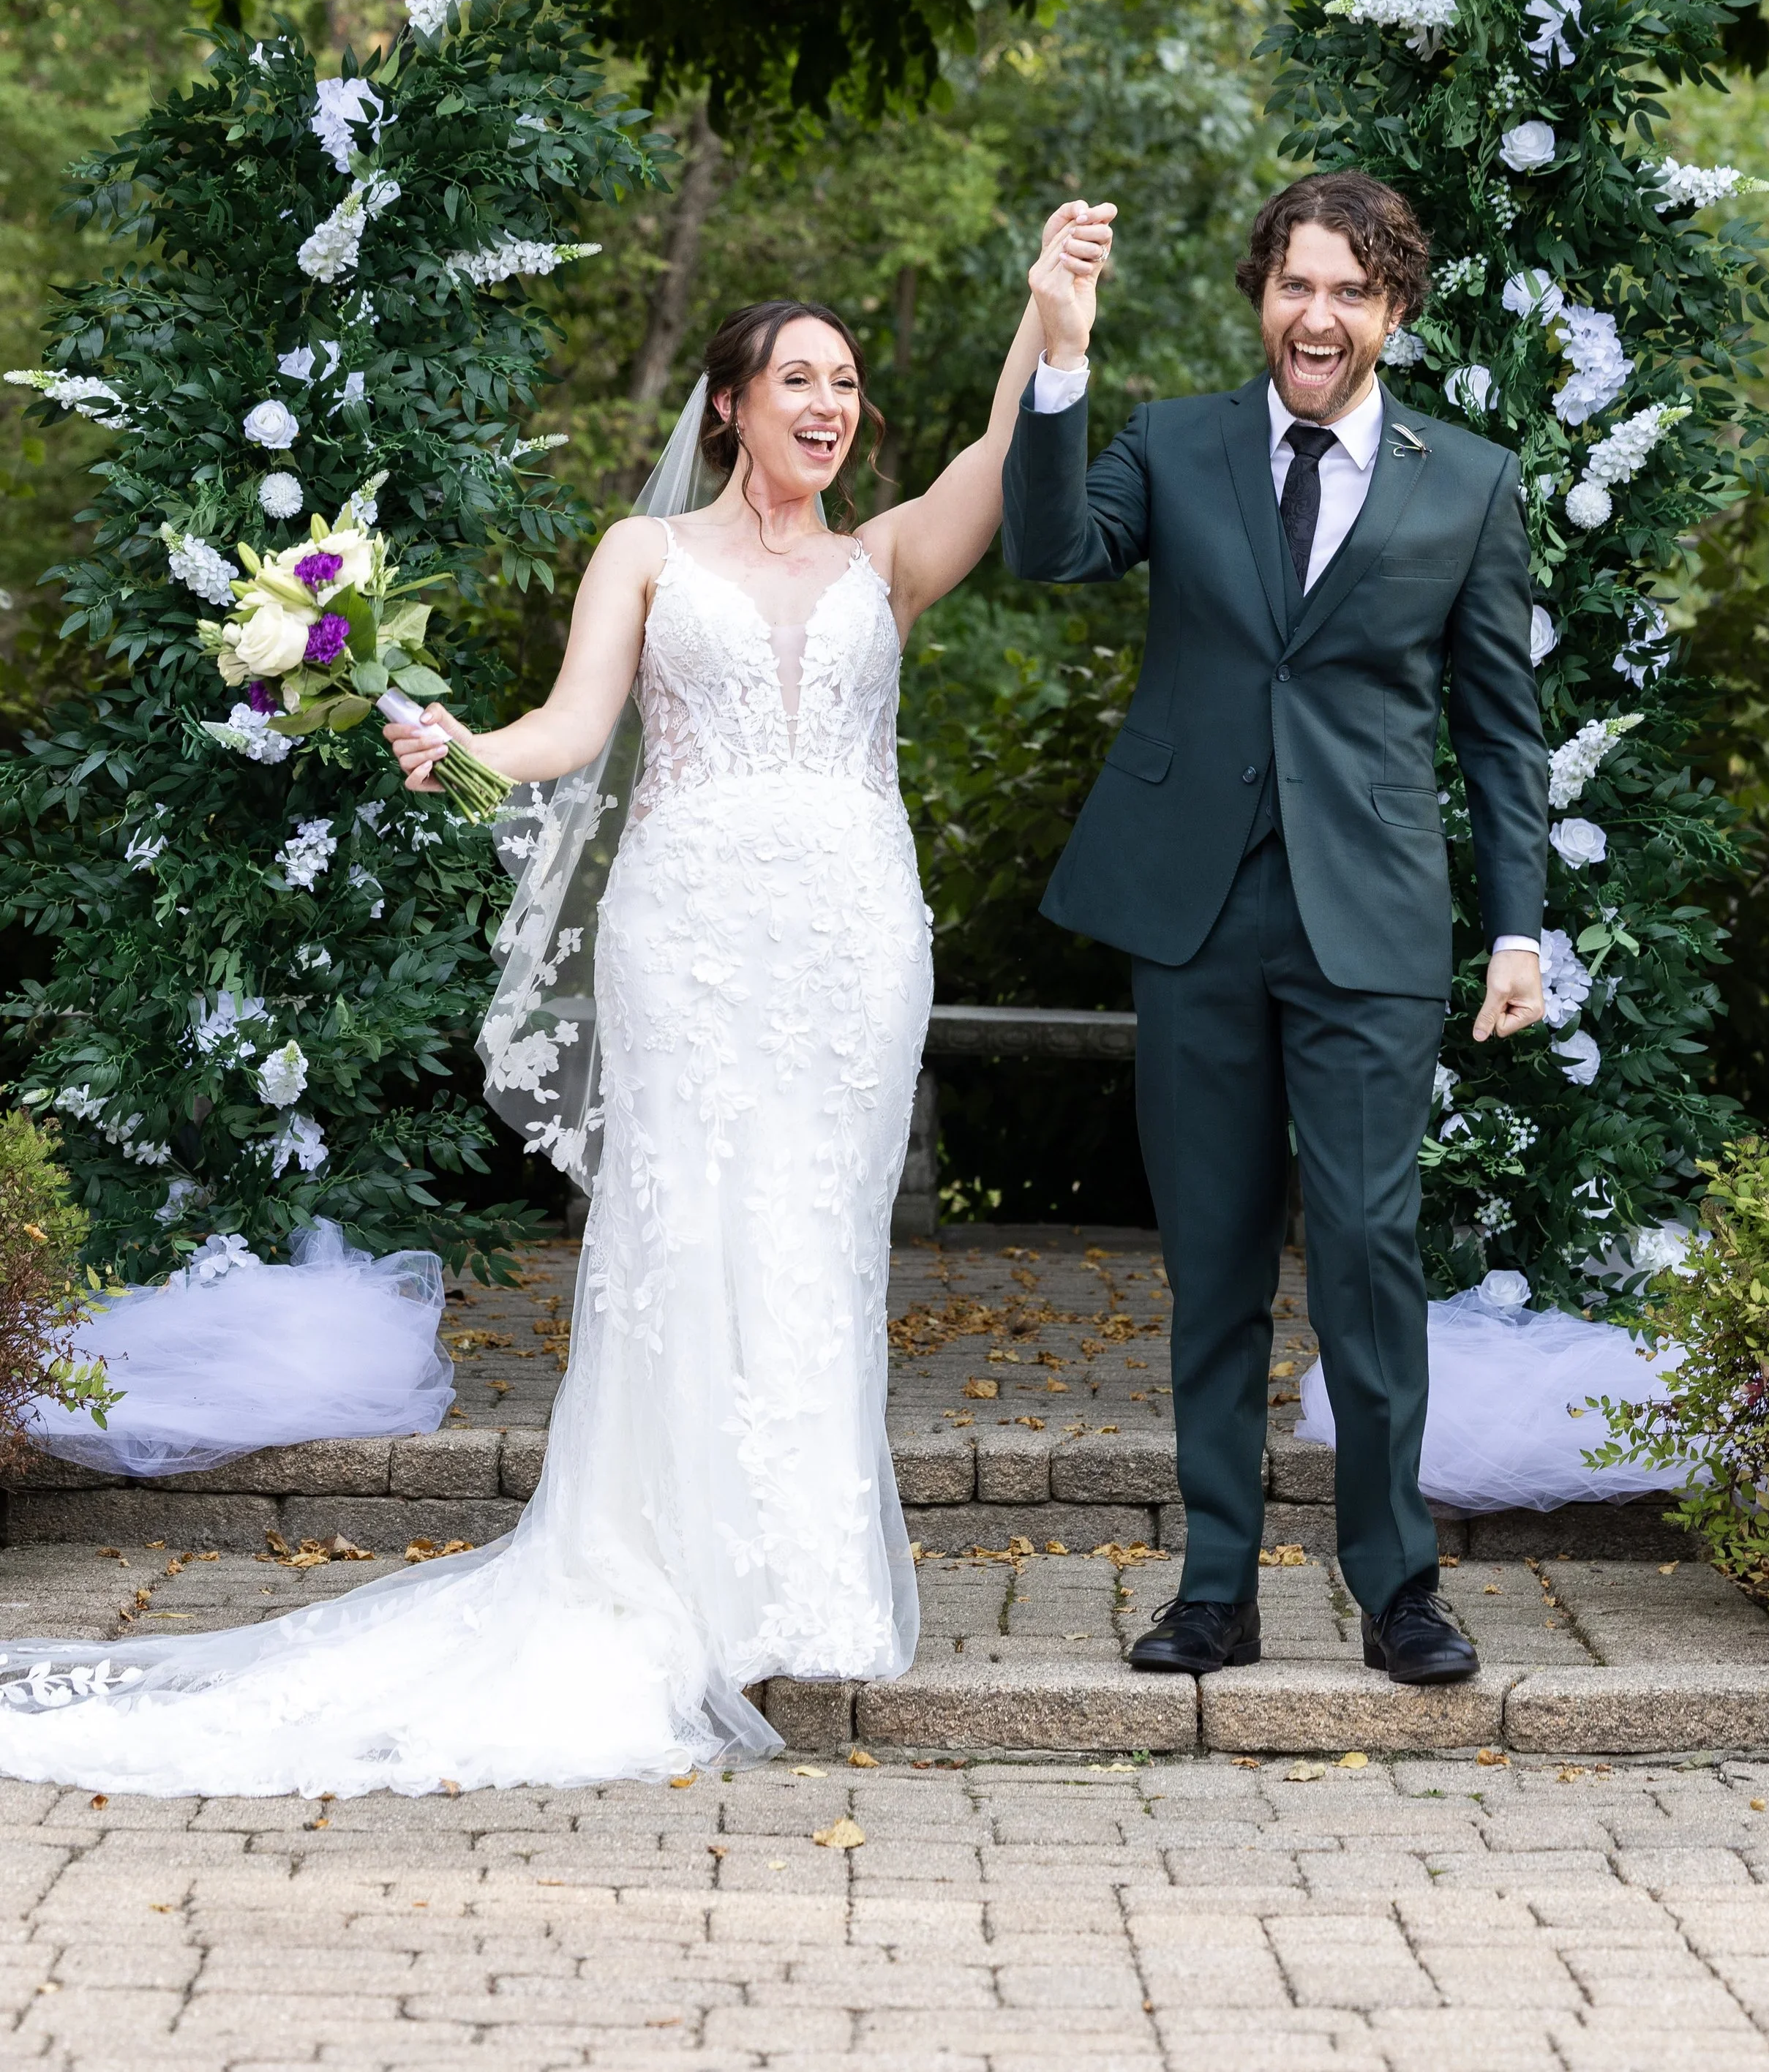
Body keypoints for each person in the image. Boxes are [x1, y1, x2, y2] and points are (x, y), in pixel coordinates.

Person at [0, 203, 1114, 1795]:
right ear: (728, 404)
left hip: (856, 943)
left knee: (813, 1241)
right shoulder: (644, 555)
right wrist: (464, 751)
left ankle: (804, 1589)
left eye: (846, 383)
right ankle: (669, 1578)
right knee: (691, 1232)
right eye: (797, 378)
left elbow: (1009, 448)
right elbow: (572, 728)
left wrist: (1047, 307)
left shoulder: (883, 560)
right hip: (691, 934)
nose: (828, 404)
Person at [1003, 169, 1549, 1687]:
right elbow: (1050, 549)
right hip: (1194, 912)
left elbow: (1500, 734)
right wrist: (1060, 351)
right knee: (1215, 1260)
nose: (1318, 315)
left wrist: (1518, 932)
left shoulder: (1469, 482)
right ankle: (1215, 1588)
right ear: (1261, 294)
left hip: (1370, 920)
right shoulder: (1172, 443)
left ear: (1394, 312)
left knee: (1369, 1252)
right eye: (1295, 284)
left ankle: (1398, 1588)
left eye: (1349, 292)